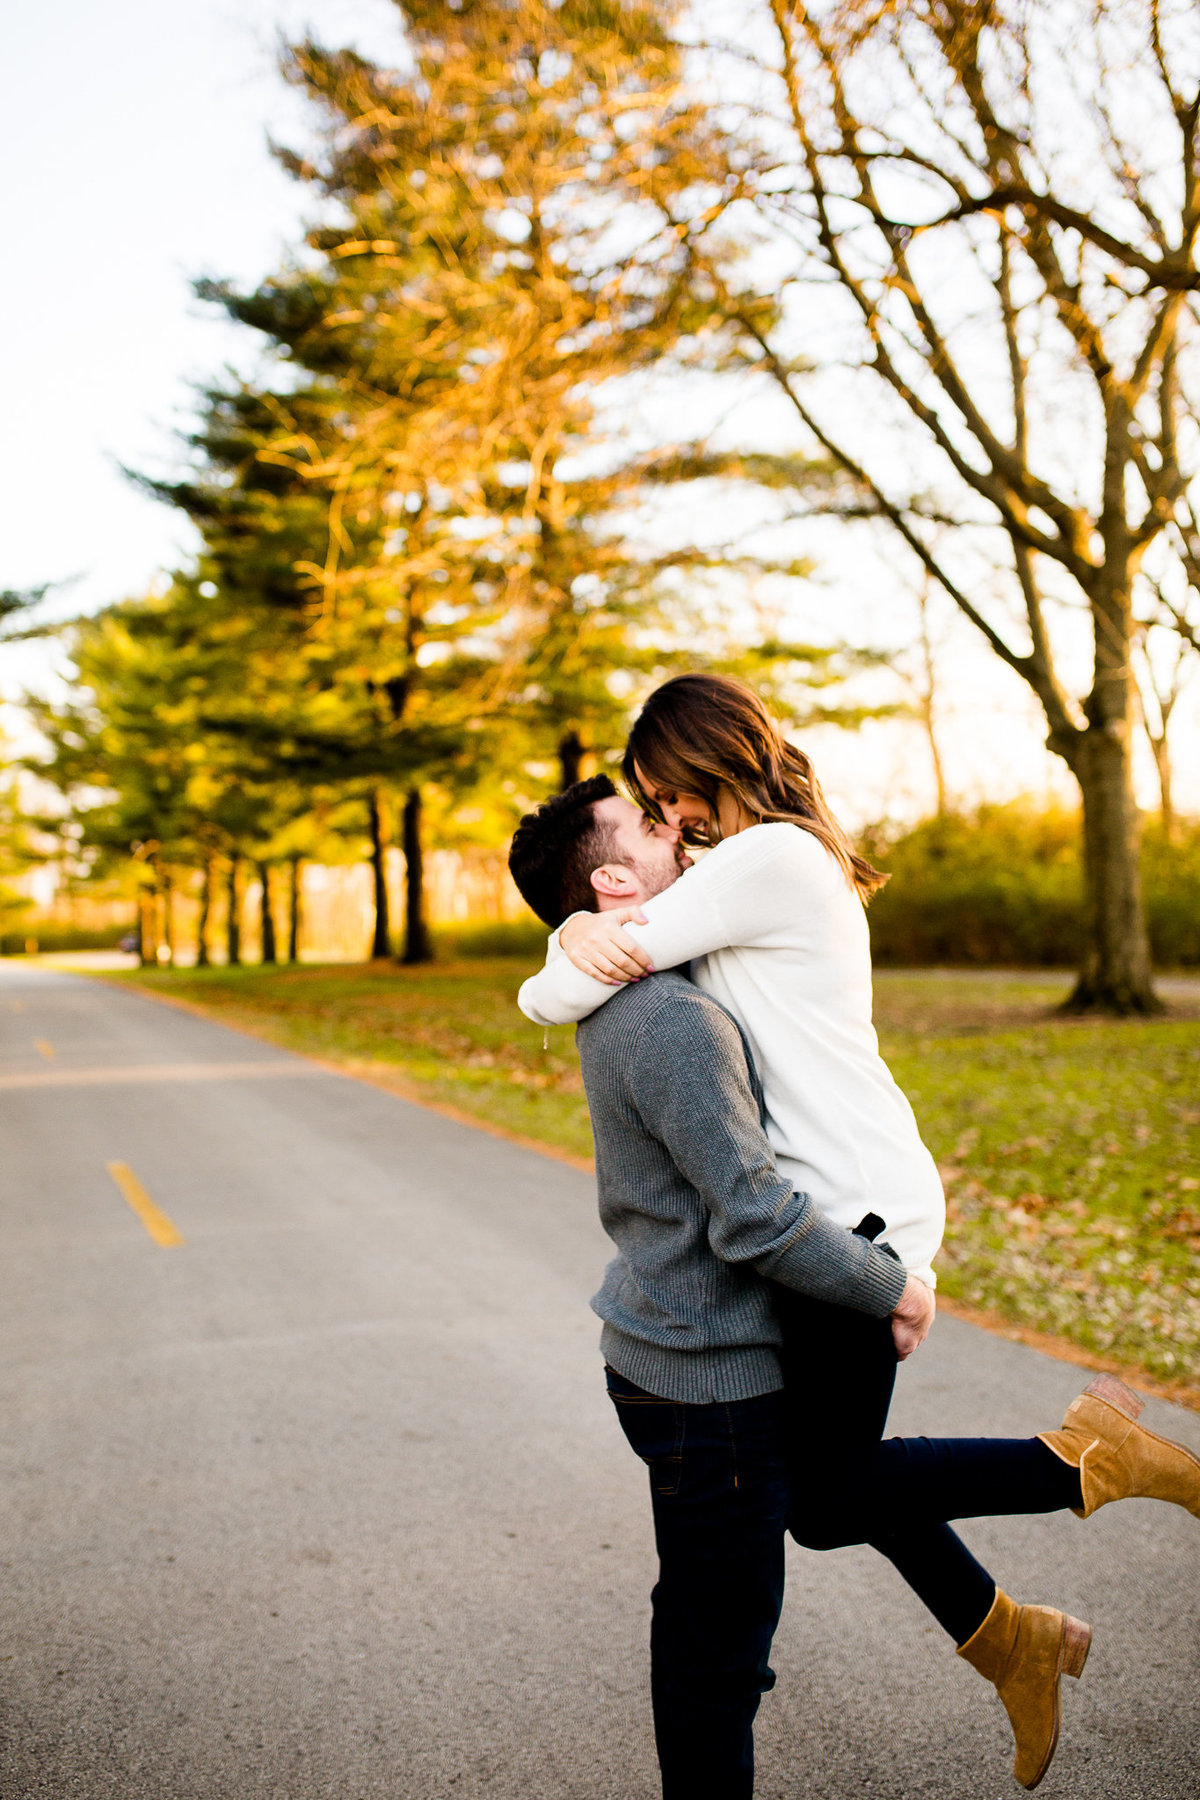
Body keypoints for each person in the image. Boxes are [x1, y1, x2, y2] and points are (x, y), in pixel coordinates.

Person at [510, 705, 1200, 1792]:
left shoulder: (769, 858)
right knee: (830, 1490)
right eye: (649, 809)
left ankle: (1084, 1465)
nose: (670, 818)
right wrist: (572, 929)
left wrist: (566, 945)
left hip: (850, 1213)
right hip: (828, 1208)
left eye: (669, 794)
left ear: (711, 763)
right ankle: (1009, 1636)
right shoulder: (728, 878)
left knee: (826, 1497)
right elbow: (600, 942)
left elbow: (577, 977)